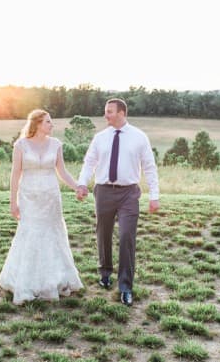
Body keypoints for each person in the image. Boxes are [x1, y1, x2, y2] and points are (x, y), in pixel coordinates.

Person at [76, 98, 160, 306]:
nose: (106, 115)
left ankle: (125, 287)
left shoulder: (139, 137)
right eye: (106, 111)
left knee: (126, 236)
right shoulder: (100, 138)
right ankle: (105, 273)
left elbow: (149, 167)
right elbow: (89, 162)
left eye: (109, 111)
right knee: (103, 234)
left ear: (121, 113)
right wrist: (82, 183)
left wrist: (154, 195)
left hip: (129, 194)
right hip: (103, 191)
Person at [0, 109, 83, 305]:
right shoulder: (20, 145)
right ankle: (26, 281)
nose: (52, 125)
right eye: (48, 122)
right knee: (30, 233)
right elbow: (15, 174)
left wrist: (77, 186)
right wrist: (13, 202)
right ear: (37, 124)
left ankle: (54, 279)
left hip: (51, 198)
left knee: (52, 234)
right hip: (29, 198)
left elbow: (62, 172)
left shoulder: (56, 144)